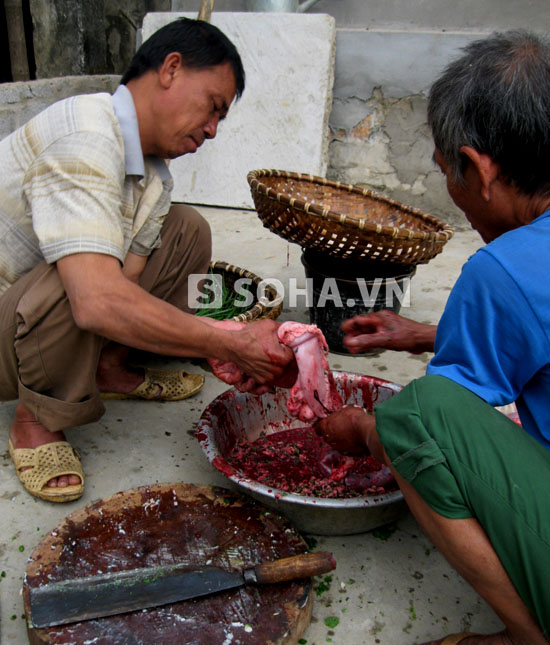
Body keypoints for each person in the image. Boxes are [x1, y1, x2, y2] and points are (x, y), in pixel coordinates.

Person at [315, 31, 550, 644]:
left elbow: (436, 427)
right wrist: (421, 333)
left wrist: (365, 431)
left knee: (415, 414)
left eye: (449, 173)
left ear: (478, 168)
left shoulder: (503, 270)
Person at [0, 18, 293, 503]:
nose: (213, 130)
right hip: (5, 329)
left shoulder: (154, 173)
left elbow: (130, 282)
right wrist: (230, 341)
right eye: (213, 108)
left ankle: (107, 370)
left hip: (31, 315)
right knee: (81, 281)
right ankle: (36, 419)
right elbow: (97, 302)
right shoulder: (86, 135)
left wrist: (209, 341)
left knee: (186, 230)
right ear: (171, 69)